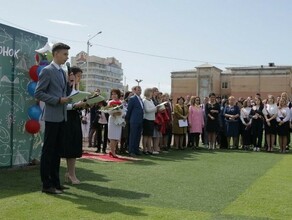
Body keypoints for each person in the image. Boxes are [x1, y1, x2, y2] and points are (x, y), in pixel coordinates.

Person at [35, 42, 71, 194]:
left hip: (62, 116)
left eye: (67, 55)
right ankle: (46, 184)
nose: (66, 57)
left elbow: (62, 92)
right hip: (52, 117)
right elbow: (38, 93)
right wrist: (57, 100)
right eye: (64, 54)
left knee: (57, 152)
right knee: (48, 151)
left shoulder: (62, 72)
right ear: (55, 54)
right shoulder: (47, 71)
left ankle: (56, 182)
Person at [61, 66, 85, 184]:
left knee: (74, 146)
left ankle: (71, 173)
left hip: (75, 118)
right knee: (69, 146)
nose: (78, 79)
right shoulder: (64, 88)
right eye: (77, 76)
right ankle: (70, 174)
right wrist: (75, 106)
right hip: (66, 119)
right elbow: (63, 105)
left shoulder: (75, 89)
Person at [126, 86, 144, 156]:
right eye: (138, 90)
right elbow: (129, 110)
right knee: (133, 136)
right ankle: (131, 151)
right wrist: (128, 119)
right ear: (135, 91)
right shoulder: (132, 98)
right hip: (134, 120)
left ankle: (136, 150)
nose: (140, 91)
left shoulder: (140, 99)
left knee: (138, 136)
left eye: (140, 90)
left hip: (140, 120)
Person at [107, 89, 124, 158]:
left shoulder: (121, 102)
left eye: (115, 94)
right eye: (112, 94)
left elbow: (124, 111)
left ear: (118, 95)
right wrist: (113, 113)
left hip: (119, 120)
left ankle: (112, 151)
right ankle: (112, 151)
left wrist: (120, 113)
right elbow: (108, 111)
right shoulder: (110, 102)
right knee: (112, 137)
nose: (113, 95)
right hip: (112, 119)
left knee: (116, 137)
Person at [142, 88, 157, 154]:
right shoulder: (145, 100)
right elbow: (147, 110)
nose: (152, 94)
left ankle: (149, 149)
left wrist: (156, 108)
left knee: (150, 135)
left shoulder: (151, 100)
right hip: (147, 119)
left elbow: (154, 109)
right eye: (151, 92)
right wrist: (155, 108)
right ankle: (144, 149)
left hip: (152, 119)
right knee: (145, 135)